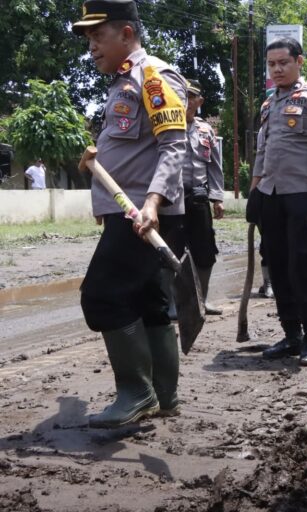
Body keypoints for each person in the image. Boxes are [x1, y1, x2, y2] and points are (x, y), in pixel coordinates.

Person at [73, 0, 188, 427]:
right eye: (88, 39)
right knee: (148, 301)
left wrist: (154, 203)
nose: (91, 47)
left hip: (144, 216)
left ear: (125, 33)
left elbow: (174, 145)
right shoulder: (123, 81)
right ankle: (164, 395)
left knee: (102, 295)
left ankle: (136, 393)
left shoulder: (153, 75)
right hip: (133, 212)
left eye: (97, 36)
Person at [246, 37, 307, 367]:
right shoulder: (268, 104)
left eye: (283, 62)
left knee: (301, 266)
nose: (277, 69)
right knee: (278, 268)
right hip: (270, 194)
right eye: (271, 64)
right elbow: (262, 152)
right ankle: (291, 335)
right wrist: (254, 192)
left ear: (299, 61)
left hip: (304, 194)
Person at [181, 79, 224, 315]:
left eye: (190, 97)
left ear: (199, 101)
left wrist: (217, 198)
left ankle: (201, 301)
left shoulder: (206, 130)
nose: (185, 101)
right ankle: (173, 305)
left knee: (205, 252)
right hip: (170, 199)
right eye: (182, 95)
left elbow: (215, 168)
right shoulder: (165, 127)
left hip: (198, 198)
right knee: (171, 251)